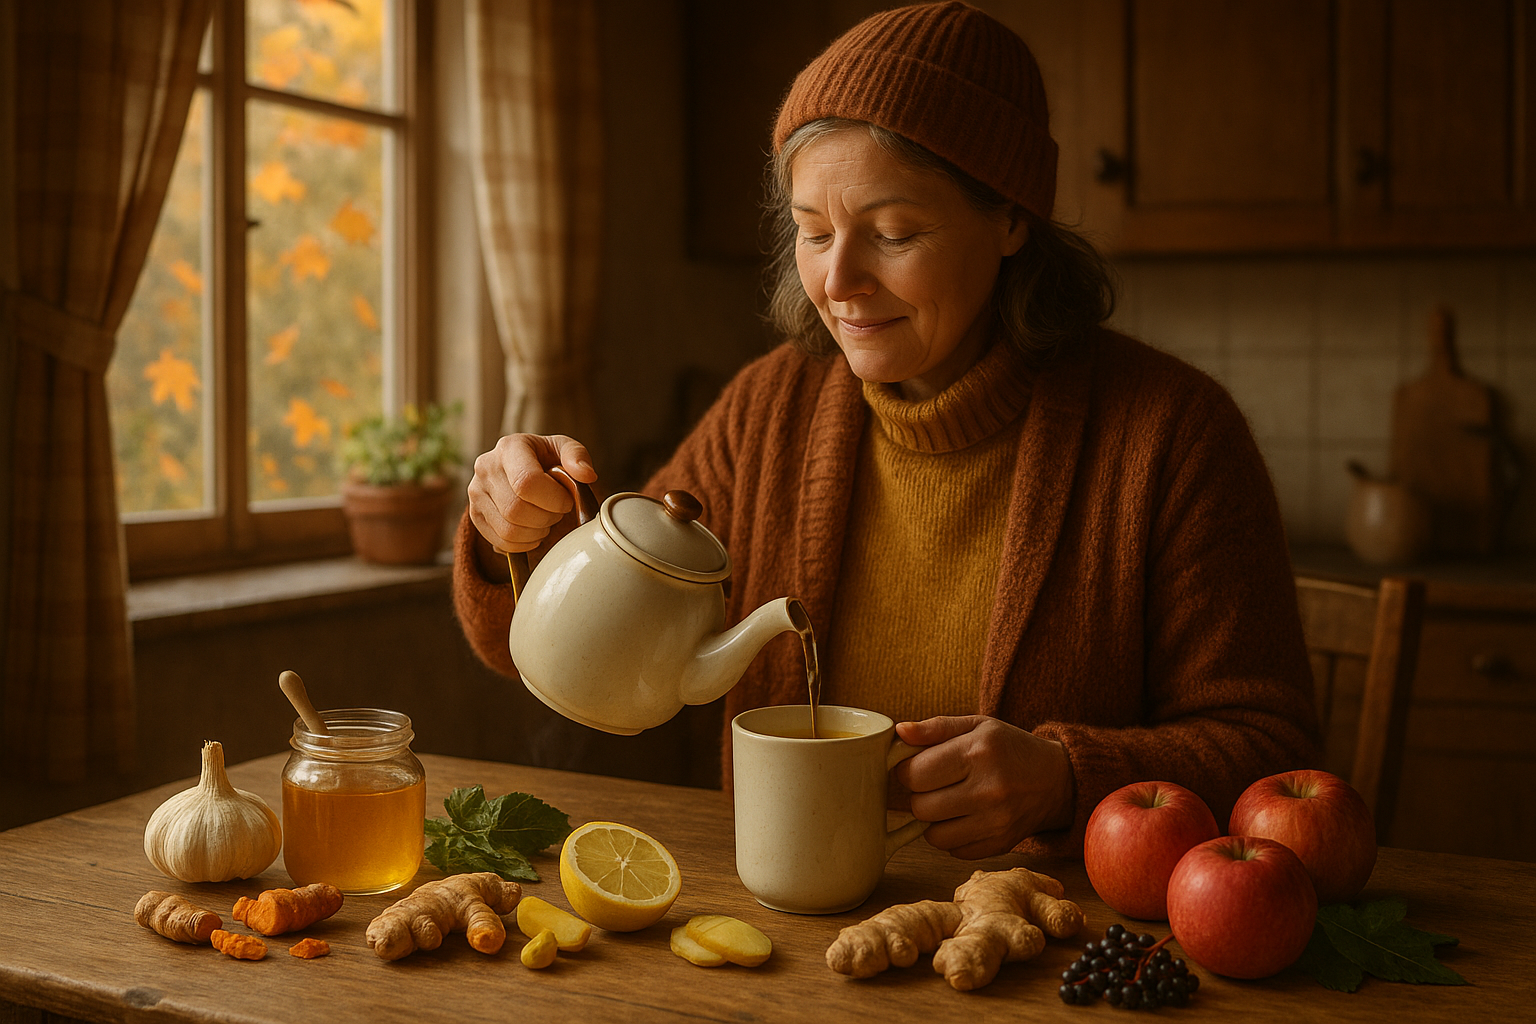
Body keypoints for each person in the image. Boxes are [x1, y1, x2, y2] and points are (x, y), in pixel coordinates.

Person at [453, 1, 1320, 861]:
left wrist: (1066, 778)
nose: (838, 280)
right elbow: (545, 650)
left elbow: (1272, 751)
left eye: (895, 233)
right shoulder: (769, 410)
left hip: (1047, 948)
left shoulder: (1170, 436)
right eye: (812, 231)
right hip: (788, 942)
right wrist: (515, 535)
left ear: (1012, 219)